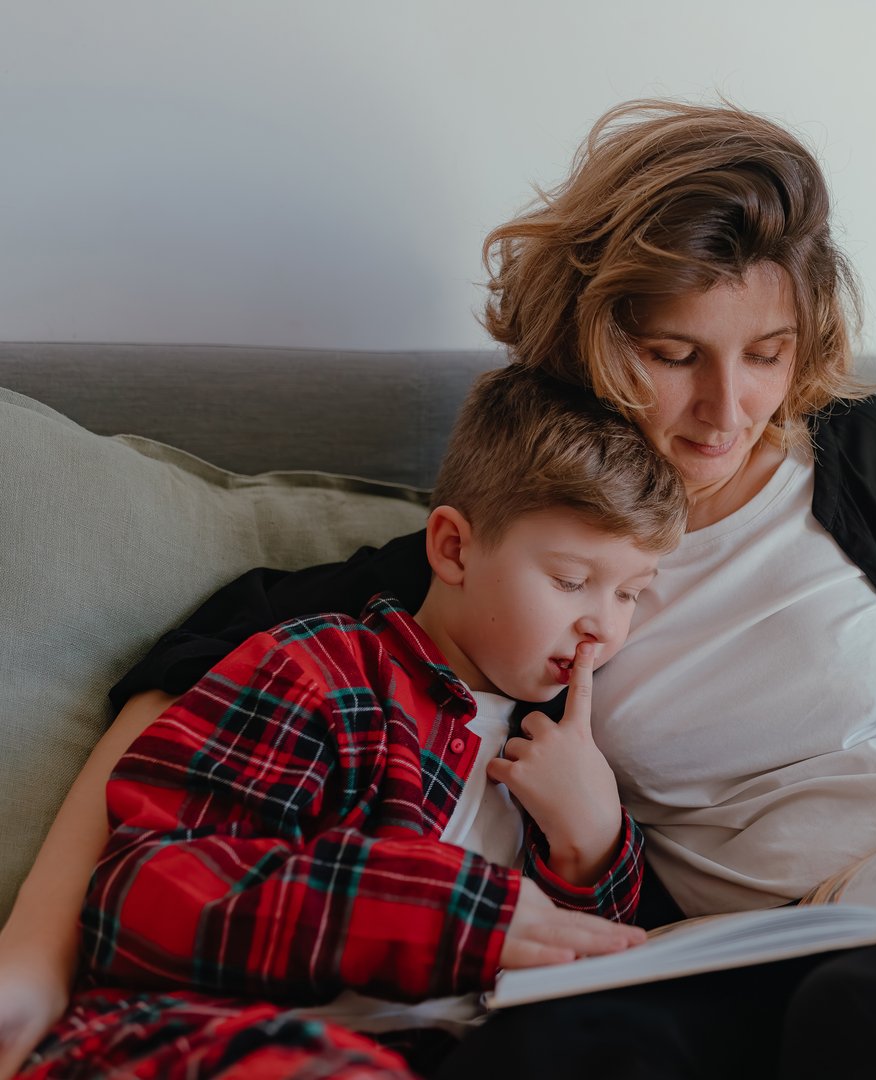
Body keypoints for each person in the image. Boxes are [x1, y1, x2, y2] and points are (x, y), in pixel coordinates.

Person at [0, 99, 876, 1079]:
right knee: (542, 1055)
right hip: (753, 947)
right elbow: (197, 664)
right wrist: (32, 956)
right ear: (600, 334)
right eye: (673, 356)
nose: (726, 408)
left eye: (767, 355)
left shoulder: (870, 454)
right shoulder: (526, 539)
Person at [12, 368, 686, 1077]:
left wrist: (593, 847)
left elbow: (586, 975)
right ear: (453, 549)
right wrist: (449, 917)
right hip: (206, 1036)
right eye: (571, 581)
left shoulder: (562, 748)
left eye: (631, 595)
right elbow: (145, 896)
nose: (600, 627)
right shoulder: (321, 673)